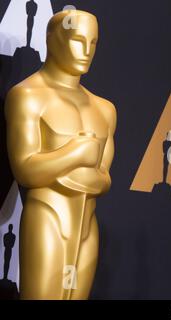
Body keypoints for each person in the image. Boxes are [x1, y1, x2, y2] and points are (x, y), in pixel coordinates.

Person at [5, 10, 116, 299]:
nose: (87, 51)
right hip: (47, 218)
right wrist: (75, 153)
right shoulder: (28, 96)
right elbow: (25, 170)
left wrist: (67, 171)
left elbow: (104, 180)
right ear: (51, 40)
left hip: (87, 227)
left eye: (93, 43)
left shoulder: (104, 109)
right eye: (78, 40)